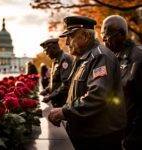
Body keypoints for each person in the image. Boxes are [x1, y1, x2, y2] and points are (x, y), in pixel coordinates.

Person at [48, 16, 126, 150]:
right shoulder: (84, 58)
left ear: (84, 35)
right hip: (89, 134)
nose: (66, 43)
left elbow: (97, 95)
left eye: (70, 36)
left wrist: (65, 112)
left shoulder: (100, 56)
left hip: (100, 138)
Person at [101, 15, 142, 150]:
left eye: (106, 36)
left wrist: (133, 138)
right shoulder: (112, 57)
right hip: (116, 129)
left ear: (119, 34)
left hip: (132, 135)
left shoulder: (137, 56)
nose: (103, 39)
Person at [40, 38, 73, 107]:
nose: (47, 54)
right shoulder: (56, 60)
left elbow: (66, 84)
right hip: (58, 101)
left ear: (54, 48)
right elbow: (55, 81)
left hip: (64, 102)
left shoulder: (64, 59)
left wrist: (50, 96)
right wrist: (46, 90)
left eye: (47, 51)